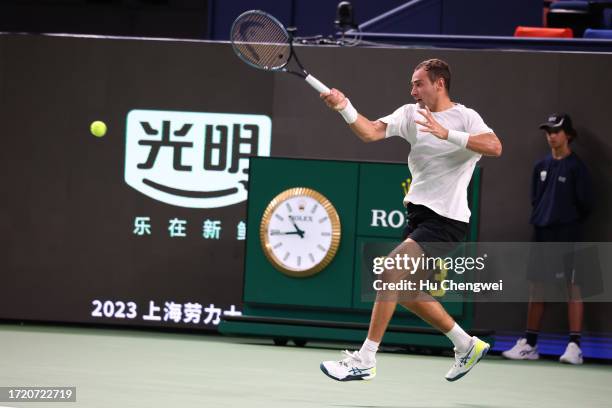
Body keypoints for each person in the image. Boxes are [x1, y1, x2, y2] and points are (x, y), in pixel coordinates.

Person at [318, 58, 502, 382]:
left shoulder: (465, 117)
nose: (413, 90)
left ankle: (365, 358)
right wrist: (344, 107)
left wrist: (449, 134)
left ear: (439, 84)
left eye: (418, 83)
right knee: (406, 291)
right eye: (412, 84)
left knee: (390, 269)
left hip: (447, 219)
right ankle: (466, 344)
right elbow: (371, 132)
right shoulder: (409, 114)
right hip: (418, 215)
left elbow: (494, 146)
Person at [502, 113, 592, 365]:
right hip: (542, 232)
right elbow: (535, 200)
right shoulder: (540, 166)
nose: (551, 136)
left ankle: (575, 346)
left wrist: (566, 220)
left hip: (569, 233)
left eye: (556, 131)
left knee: (574, 288)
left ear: (568, 135)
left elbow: (586, 205)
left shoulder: (577, 168)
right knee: (537, 288)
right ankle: (530, 344)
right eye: (548, 132)